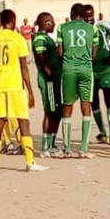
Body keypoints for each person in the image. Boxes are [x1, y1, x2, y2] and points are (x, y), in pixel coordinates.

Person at [0, 9, 47, 174]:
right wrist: (30, 91)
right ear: (12, 21)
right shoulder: (18, 39)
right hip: (15, 86)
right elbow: (24, 67)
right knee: (23, 122)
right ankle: (30, 162)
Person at [56, 3, 97, 158]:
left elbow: (60, 52)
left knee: (67, 108)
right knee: (86, 108)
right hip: (86, 69)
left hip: (69, 69)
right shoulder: (92, 29)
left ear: (72, 13)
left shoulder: (62, 28)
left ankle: (67, 149)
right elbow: (94, 54)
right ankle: (84, 149)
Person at [32, 12, 62, 156]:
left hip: (54, 78)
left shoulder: (46, 37)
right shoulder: (39, 38)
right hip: (48, 80)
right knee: (50, 112)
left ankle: (51, 143)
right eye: (51, 22)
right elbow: (42, 59)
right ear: (45, 22)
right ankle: (45, 146)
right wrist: (52, 77)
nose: (54, 24)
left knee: (57, 111)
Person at [90, 8, 110, 145]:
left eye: (90, 16)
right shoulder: (84, 29)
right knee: (94, 102)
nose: (88, 19)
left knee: (109, 100)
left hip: (105, 69)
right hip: (90, 71)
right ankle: (102, 132)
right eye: (85, 17)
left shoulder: (102, 25)